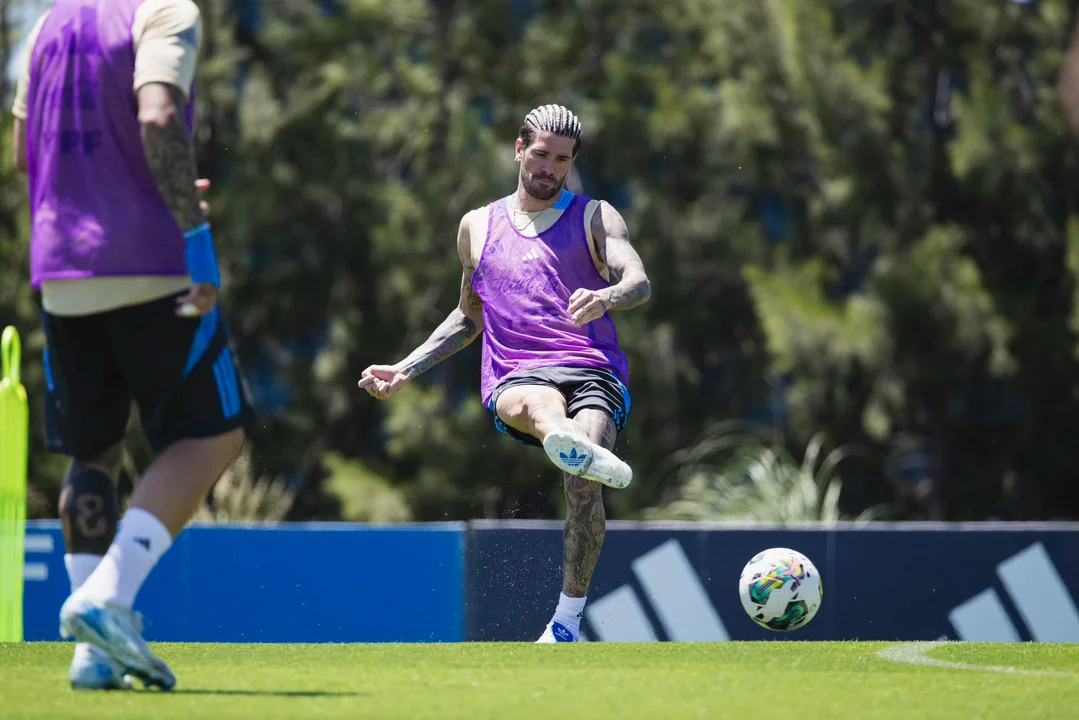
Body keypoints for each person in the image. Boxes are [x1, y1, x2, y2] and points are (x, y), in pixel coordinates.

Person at [11, 0, 253, 690]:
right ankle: (105, 596)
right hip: (151, 264)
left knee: (94, 449)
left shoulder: (50, 22)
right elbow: (157, 115)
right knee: (215, 436)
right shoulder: (165, 9)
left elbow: (26, 151)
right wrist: (193, 233)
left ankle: (91, 654)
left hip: (61, 270)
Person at [359, 104, 651, 643]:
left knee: (582, 486)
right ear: (519, 149)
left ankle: (565, 622)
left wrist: (608, 295)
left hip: (592, 368)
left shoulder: (595, 216)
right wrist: (404, 369)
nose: (549, 168)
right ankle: (562, 436)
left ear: (572, 163)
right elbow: (468, 319)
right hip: (517, 372)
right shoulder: (477, 227)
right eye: (540, 155)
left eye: (561, 160)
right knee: (544, 408)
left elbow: (638, 280)